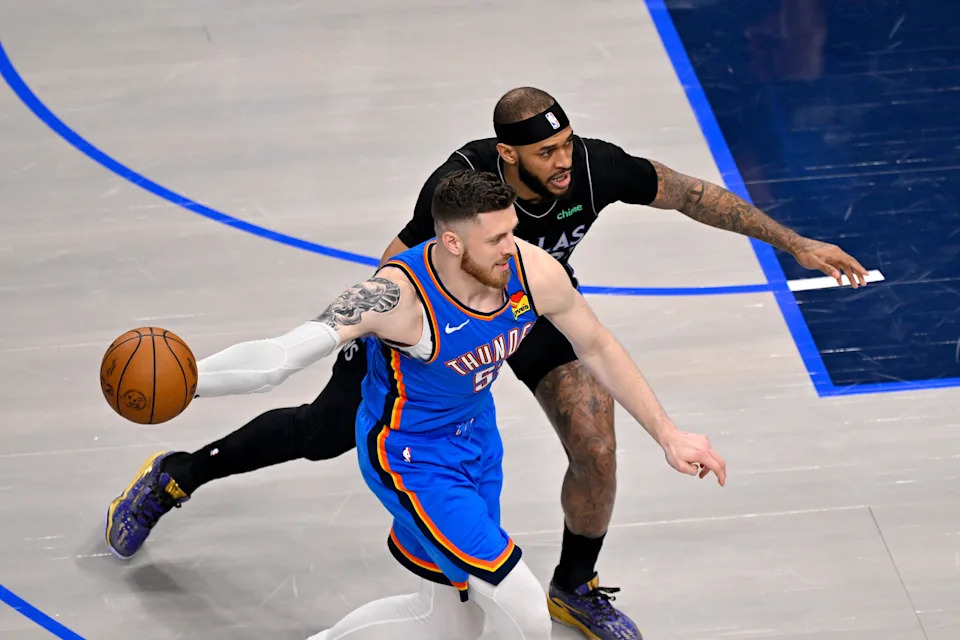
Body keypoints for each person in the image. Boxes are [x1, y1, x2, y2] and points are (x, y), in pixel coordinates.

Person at [105, 87, 868, 639]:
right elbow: (385, 273)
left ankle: (576, 587)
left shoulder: (573, 205)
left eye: (567, 146)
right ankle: (180, 472)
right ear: (507, 158)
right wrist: (372, 338)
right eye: (546, 155)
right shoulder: (459, 195)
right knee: (322, 429)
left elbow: (689, 198)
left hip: (518, 314)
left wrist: (792, 243)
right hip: (434, 328)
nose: (564, 163)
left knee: (595, 440)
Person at [178, 169, 727, 639]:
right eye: (496, 240)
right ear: (453, 243)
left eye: (512, 231)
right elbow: (282, 354)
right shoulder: (397, 298)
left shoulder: (531, 272)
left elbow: (597, 345)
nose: (512, 248)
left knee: (452, 623)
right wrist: (190, 381)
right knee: (527, 611)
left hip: (477, 442)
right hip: (412, 459)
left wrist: (668, 433)